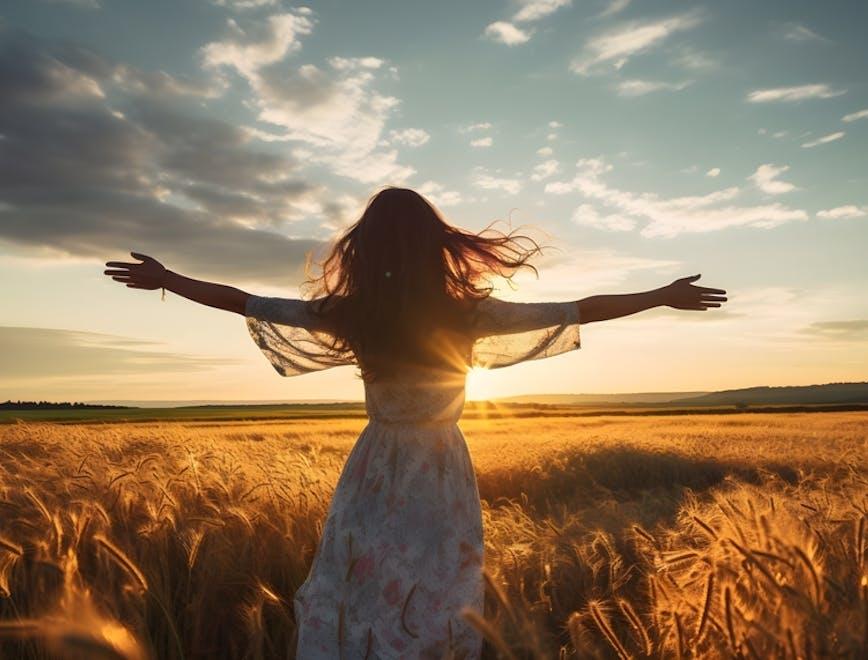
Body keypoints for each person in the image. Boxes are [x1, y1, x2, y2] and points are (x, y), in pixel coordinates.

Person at [104, 186, 727, 658]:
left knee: (358, 578)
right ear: (437, 248)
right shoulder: (464, 315)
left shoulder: (351, 313)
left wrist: (169, 280)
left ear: (365, 250)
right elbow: (577, 309)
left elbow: (246, 302)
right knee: (439, 584)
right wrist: (657, 296)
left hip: (373, 465)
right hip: (441, 467)